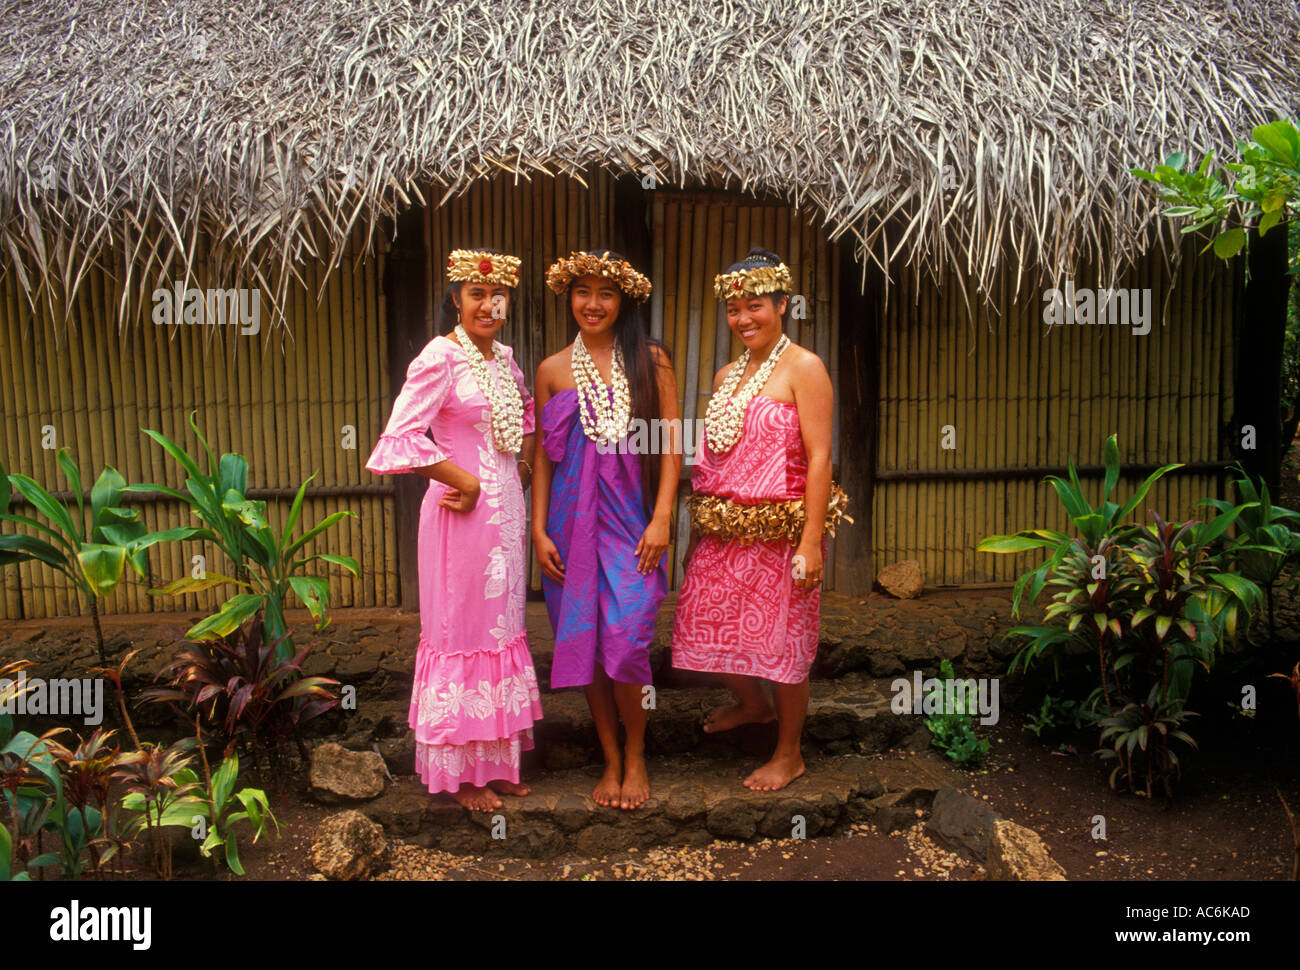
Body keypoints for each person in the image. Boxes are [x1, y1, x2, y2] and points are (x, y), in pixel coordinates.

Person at [364, 248, 542, 813]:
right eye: (475, 295)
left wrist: (522, 468)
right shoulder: (440, 357)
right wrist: (460, 475)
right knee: (462, 634)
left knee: (500, 633)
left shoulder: (505, 361)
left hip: (505, 517)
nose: (488, 305)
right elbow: (400, 437)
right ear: (456, 301)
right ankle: (461, 775)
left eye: (498, 296)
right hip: (459, 519)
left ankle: (497, 762)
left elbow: (526, 419)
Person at [671, 247, 851, 791]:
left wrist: (811, 541)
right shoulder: (728, 374)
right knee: (703, 626)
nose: (743, 318)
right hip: (725, 529)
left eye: (755, 306)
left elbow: (820, 456)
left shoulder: (805, 367)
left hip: (782, 533)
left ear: (781, 304)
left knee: (784, 645)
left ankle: (789, 753)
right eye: (733, 309)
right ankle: (754, 706)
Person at [531, 250, 680, 810]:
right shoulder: (551, 369)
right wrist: (539, 530)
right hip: (570, 526)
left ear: (625, 301)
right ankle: (611, 757)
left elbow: (670, 445)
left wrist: (663, 517)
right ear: (569, 298)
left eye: (606, 293)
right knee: (588, 643)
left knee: (628, 641)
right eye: (582, 292)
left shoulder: (651, 360)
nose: (593, 304)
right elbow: (543, 458)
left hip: (632, 522)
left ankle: (637, 751)